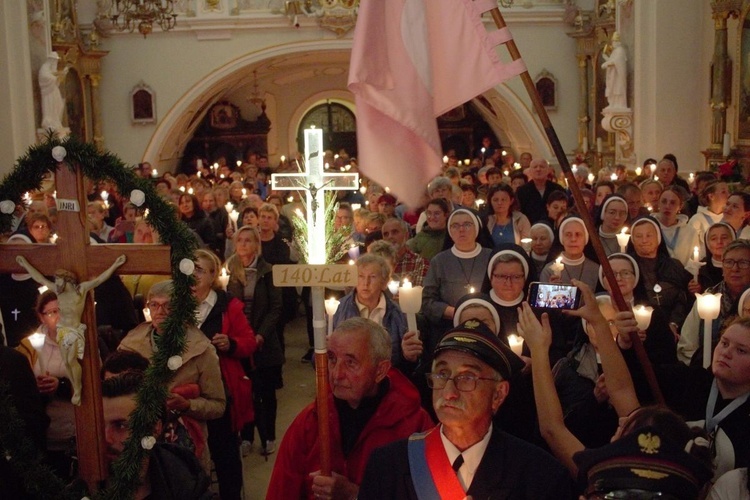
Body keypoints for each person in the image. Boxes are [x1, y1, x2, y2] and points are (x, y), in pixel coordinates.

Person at [358, 320, 570, 499]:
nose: (449, 392)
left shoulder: (540, 475)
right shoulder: (387, 466)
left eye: (467, 377)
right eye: (441, 374)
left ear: (498, 394)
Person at [266, 318, 433, 500]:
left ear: (380, 371)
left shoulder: (415, 426)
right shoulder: (310, 421)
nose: (336, 374)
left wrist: (356, 495)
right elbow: (281, 491)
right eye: (332, 359)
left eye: (351, 363)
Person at [118, 280, 226, 468]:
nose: (161, 311)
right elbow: (116, 392)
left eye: (169, 305)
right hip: (139, 439)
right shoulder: (130, 346)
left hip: (185, 444)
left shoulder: (201, 350)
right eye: (155, 305)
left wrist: (187, 404)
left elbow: (218, 405)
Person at [16, 254, 127, 405]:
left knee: (70, 360)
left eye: (59, 280)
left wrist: (115, 264)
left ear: (66, 279)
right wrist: (25, 264)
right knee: (68, 363)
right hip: (64, 333)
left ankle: (77, 388)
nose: (57, 283)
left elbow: (99, 279)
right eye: (51, 312)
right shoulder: (58, 291)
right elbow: (40, 279)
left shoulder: (80, 290)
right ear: (41, 316)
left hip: (74, 331)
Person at [191, 249, 256, 499]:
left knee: (225, 453)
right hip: (188, 392)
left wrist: (231, 343)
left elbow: (249, 342)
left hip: (221, 391)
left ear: (212, 275)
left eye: (199, 270)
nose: (193, 275)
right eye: (190, 268)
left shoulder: (227, 305)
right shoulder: (176, 306)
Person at [102, 371, 212, 500]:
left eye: (121, 426)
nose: (106, 438)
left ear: (155, 428)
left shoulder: (185, 482)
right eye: (99, 426)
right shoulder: (82, 483)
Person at [225, 225, 284, 457]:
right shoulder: (230, 270)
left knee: (266, 392)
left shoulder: (268, 271)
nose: (243, 245)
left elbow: (276, 308)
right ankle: (247, 436)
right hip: (240, 342)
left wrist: (260, 335)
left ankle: (268, 436)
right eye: (240, 240)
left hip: (264, 342)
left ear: (257, 244)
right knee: (245, 391)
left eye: (248, 240)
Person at [333, 254, 413, 369]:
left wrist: (408, 356)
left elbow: (406, 365)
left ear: (384, 282)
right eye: (361, 276)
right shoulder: (338, 309)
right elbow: (318, 359)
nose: (366, 283)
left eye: (373, 277)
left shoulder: (398, 314)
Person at [422, 209, 493, 339]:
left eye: (467, 224)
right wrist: (455, 312)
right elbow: (427, 301)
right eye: (455, 226)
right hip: (449, 329)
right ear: (449, 231)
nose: (461, 230)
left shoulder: (491, 257)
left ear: (477, 227)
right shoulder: (439, 261)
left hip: (487, 328)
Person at [678, 239, 750, 366]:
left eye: (743, 263)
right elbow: (687, 346)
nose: (735, 268)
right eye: (729, 262)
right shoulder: (707, 299)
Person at [653, 185, 700, 266]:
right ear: (658, 204)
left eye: (672, 203)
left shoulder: (690, 232)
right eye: (664, 201)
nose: (667, 206)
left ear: (680, 206)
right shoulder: (650, 227)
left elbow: (694, 260)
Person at [381, 218, 429, 286]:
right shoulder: (378, 263)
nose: (390, 237)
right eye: (386, 234)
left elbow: (418, 293)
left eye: (394, 232)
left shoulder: (419, 263)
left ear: (406, 236)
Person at [517, 158, 565, 224]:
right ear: (530, 171)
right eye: (535, 167)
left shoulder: (558, 189)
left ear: (548, 170)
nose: (538, 169)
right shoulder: (521, 191)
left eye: (542, 167)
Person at [38, 52, 68, 134]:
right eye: (54, 61)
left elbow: (55, 78)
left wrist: (60, 75)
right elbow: (44, 77)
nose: (55, 63)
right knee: (51, 104)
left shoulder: (50, 69)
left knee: (59, 104)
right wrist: (56, 76)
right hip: (48, 92)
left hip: (53, 89)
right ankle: (49, 121)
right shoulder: (44, 68)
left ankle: (55, 121)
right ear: (51, 60)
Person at [601, 34, 628, 110]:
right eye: (613, 41)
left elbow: (617, 61)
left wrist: (606, 64)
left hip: (618, 75)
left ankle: (619, 104)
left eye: (614, 41)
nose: (613, 43)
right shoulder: (615, 51)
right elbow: (612, 60)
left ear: (618, 42)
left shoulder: (620, 50)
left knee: (617, 89)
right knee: (613, 89)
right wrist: (605, 57)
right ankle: (613, 104)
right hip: (613, 74)